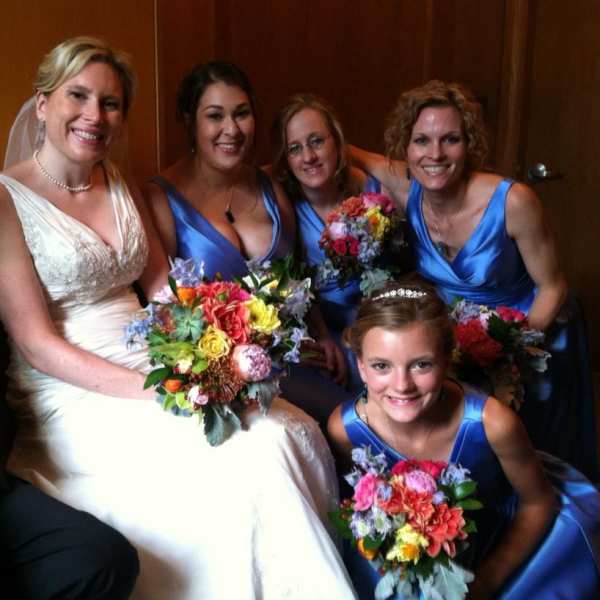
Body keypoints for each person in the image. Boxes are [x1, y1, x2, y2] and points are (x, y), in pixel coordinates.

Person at [0, 38, 356, 598]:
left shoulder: (118, 180)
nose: (95, 115)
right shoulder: (7, 198)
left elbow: (162, 286)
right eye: (79, 96)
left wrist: (216, 346)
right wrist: (152, 390)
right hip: (70, 387)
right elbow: (36, 344)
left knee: (279, 432)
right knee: (230, 463)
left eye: (111, 103)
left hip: (155, 355)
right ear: (43, 104)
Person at [350, 80, 597, 480]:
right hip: (454, 341)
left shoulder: (513, 201)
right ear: (404, 147)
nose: (434, 154)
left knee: (532, 460)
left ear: (470, 144)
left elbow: (554, 287)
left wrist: (511, 351)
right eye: (421, 140)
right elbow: (340, 147)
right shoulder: (406, 187)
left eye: (450, 139)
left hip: (529, 334)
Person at [327, 276, 600, 599]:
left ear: (446, 359)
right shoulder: (345, 429)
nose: (402, 386)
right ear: (360, 366)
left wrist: (486, 582)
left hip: (502, 540)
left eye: (421, 365)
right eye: (381, 366)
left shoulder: (493, 423)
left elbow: (538, 503)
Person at [146, 64, 351, 426]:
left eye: (241, 114)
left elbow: (296, 275)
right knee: (346, 422)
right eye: (215, 116)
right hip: (229, 373)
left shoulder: (271, 187)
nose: (232, 129)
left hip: (300, 354)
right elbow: (166, 310)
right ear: (189, 121)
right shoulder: (161, 198)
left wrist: (322, 337)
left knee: (369, 409)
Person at [271, 93, 388, 392]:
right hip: (321, 328)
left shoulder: (371, 192)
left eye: (317, 141)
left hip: (378, 320)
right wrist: (322, 336)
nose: (308, 156)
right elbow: (294, 281)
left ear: (336, 141)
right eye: (295, 148)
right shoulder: (285, 208)